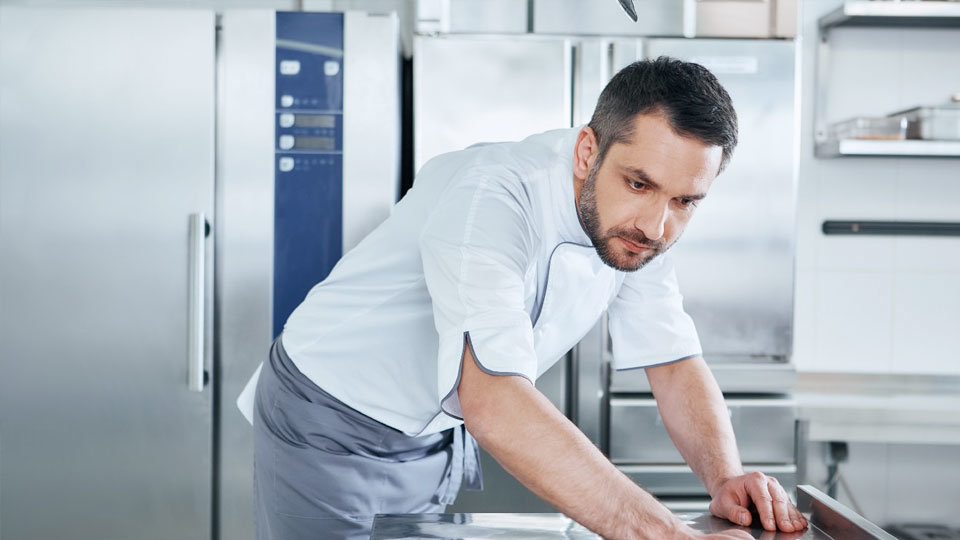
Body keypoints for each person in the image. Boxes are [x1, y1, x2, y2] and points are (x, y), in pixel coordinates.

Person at [240, 56, 808, 540]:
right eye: (640, 184)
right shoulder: (493, 195)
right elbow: (493, 402)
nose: (659, 224)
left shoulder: (638, 227)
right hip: (328, 420)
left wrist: (725, 479)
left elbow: (674, 359)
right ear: (588, 152)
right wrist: (662, 532)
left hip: (432, 435)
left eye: (686, 201)